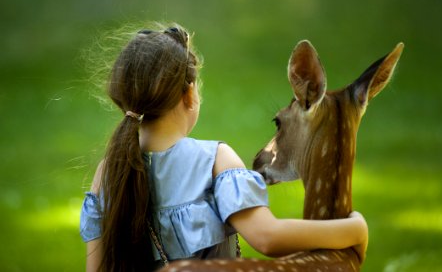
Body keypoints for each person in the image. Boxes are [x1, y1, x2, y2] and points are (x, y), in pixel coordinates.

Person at [79, 24, 368, 272]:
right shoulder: (214, 159)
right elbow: (268, 237)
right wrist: (354, 229)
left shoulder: (109, 170)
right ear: (189, 94)